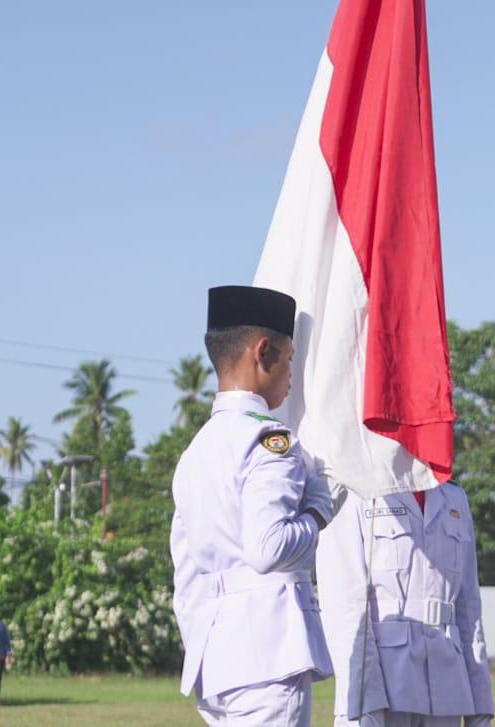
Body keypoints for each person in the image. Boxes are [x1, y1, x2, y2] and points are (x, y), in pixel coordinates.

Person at [170, 285, 336, 725]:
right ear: (263, 353)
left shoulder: (196, 451)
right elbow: (269, 548)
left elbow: (185, 574)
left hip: (216, 658)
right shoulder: (270, 440)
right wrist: (318, 512)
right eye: (289, 359)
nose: (292, 374)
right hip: (268, 654)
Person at [318, 483, 495, 727]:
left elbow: (469, 610)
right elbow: (345, 607)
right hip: (386, 687)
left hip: (448, 687)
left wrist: (481, 708)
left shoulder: (454, 497)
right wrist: (364, 701)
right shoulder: (353, 492)